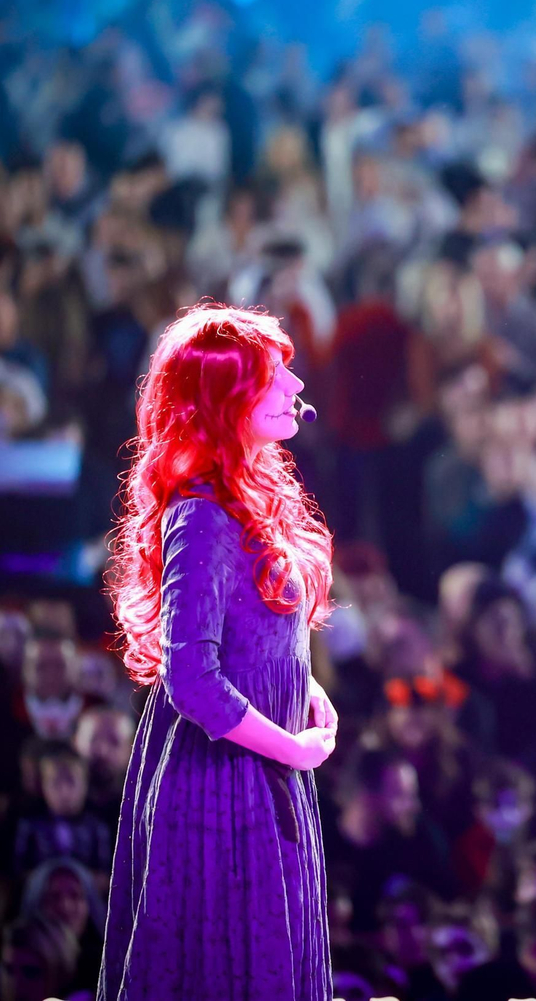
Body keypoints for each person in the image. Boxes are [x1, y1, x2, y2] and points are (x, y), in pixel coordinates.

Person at [97, 305, 339, 1000]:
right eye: (275, 375)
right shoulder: (201, 513)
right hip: (220, 786)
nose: (295, 386)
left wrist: (306, 693)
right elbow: (194, 681)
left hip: (262, 772)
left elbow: (256, 639)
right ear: (227, 398)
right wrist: (294, 750)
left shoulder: (246, 497)